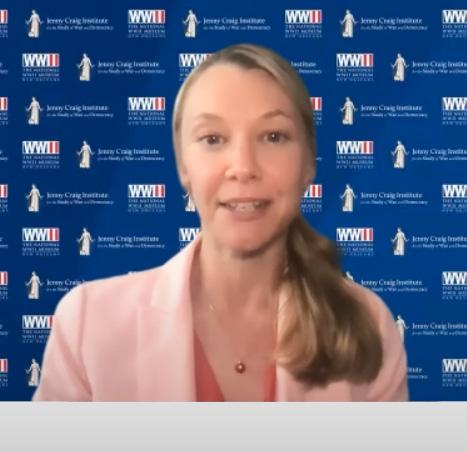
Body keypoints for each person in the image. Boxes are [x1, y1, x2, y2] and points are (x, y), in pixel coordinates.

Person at [33, 44, 408, 402]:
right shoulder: (88, 325)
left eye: (273, 136)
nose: (243, 167)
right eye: (213, 139)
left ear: (308, 164)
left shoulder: (369, 323)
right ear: (183, 166)